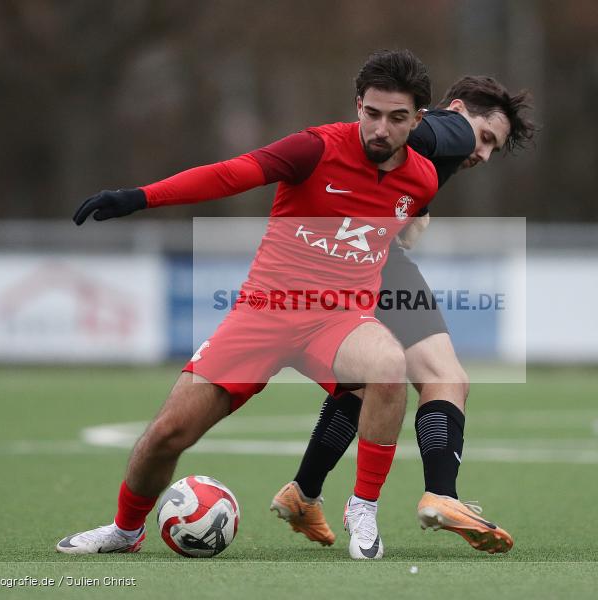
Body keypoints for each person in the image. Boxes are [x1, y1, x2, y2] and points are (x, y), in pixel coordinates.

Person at [57, 49, 438, 560]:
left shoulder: (422, 179)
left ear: (418, 120)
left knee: (388, 364)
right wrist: (140, 197)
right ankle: (125, 531)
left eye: (396, 119)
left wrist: (409, 228)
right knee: (167, 434)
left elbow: (409, 212)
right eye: (371, 113)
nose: (380, 129)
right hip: (264, 315)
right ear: (358, 106)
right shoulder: (313, 148)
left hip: (340, 322)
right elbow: (229, 174)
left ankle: (362, 508)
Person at [269, 77, 535, 554]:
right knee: (445, 378)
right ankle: (441, 494)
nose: (485, 154)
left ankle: (303, 492)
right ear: (456, 109)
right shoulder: (446, 129)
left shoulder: (425, 153)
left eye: (496, 146)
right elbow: (430, 133)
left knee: (366, 385)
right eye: (487, 137)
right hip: (371, 264)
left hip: (341, 259)